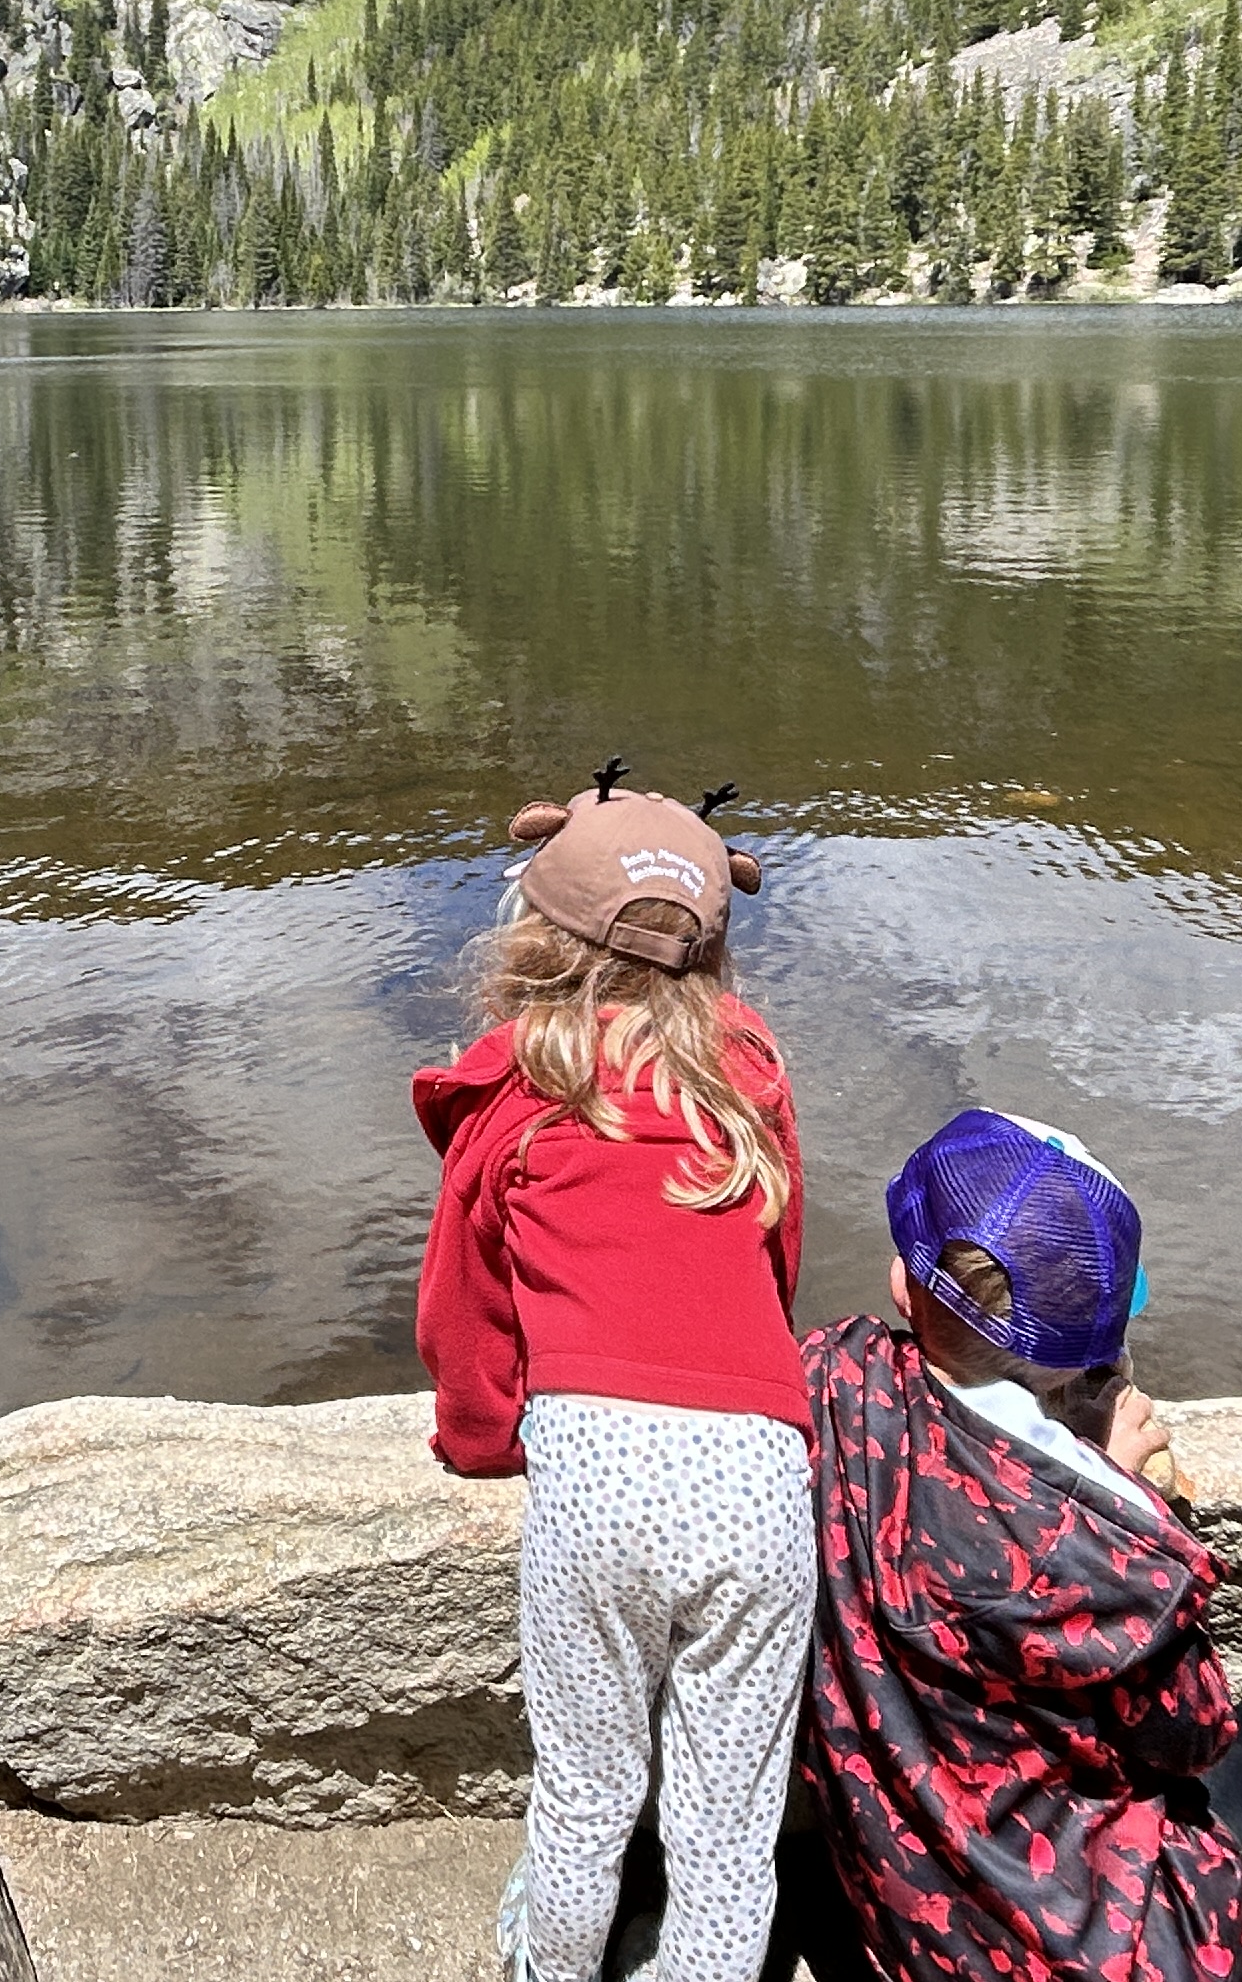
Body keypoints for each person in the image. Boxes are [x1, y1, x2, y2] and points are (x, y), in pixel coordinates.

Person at [793, 1110, 1242, 1982]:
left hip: (899, 1906)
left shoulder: (828, 1376)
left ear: (903, 1287)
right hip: (1084, 1952)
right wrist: (1136, 1498)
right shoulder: (1113, 1553)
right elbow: (1193, 1736)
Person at [413, 769, 813, 1982]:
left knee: (587, 1791)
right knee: (731, 1823)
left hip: (599, 1489)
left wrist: (482, 1437)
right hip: (758, 1479)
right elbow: (777, 1256)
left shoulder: (518, 1091)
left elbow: (464, 1313)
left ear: (533, 935)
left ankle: (553, 1968)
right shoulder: (746, 1076)